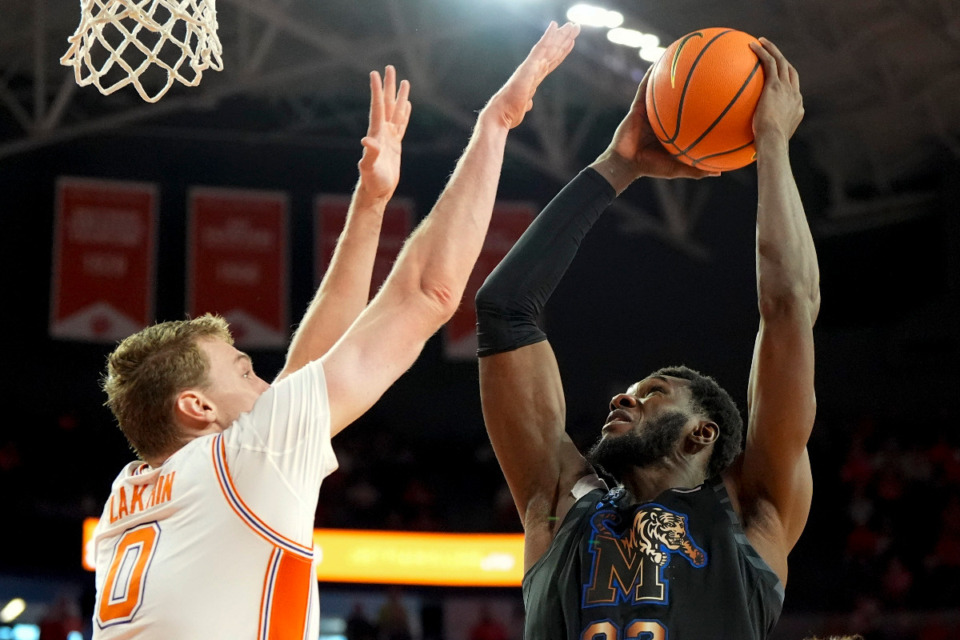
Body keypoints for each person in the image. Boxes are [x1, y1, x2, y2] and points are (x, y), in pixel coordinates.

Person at [90, 22, 580, 639]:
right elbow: (428, 291)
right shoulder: (245, 458)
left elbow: (306, 372)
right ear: (197, 405)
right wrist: (495, 125)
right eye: (245, 372)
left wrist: (371, 204)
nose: (268, 380)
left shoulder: (132, 492)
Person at [475, 38, 816, 640]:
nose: (622, 398)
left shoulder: (753, 510)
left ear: (702, 433)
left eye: (652, 392)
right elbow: (503, 309)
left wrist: (771, 145)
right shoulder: (557, 498)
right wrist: (618, 165)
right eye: (635, 391)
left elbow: (788, 309)